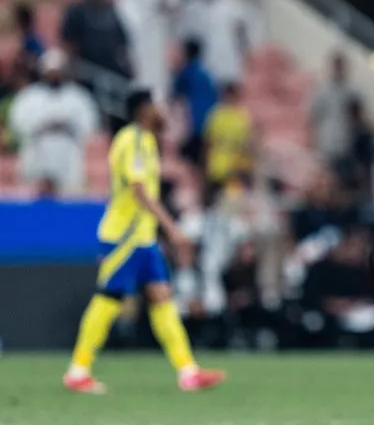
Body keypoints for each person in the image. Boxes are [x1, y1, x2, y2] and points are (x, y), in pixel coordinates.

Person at [63, 89, 225, 394]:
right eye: (155, 105)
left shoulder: (148, 141)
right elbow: (139, 191)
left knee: (163, 297)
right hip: (124, 236)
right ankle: (78, 369)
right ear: (142, 110)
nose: (161, 110)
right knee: (109, 300)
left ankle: (187, 371)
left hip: (143, 238)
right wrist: (173, 229)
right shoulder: (133, 139)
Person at [7, 49, 98, 194]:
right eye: (50, 72)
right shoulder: (28, 97)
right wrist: (44, 125)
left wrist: (65, 126)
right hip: (37, 152)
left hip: (67, 155)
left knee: (69, 196)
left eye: (57, 72)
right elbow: (17, 125)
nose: (54, 76)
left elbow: (89, 127)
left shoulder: (78, 97)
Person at [178, 0, 249, 88]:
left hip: (225, 60)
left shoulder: (231, 5)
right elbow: (184, 34)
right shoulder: (193, 6)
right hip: (200, 63)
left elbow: (242, 31)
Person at [173, 39, 218, 168]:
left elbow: (176, 94)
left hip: (192, 124)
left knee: (190, 162)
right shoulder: (207, 75)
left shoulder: (186, 73)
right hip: (208, 121)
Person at [203, 84, 253, 187]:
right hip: (218, 167)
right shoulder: (216, 115)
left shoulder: (243, 116)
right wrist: (205, 166)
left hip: (238, 168)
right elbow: (208, 142)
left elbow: (248, 144)